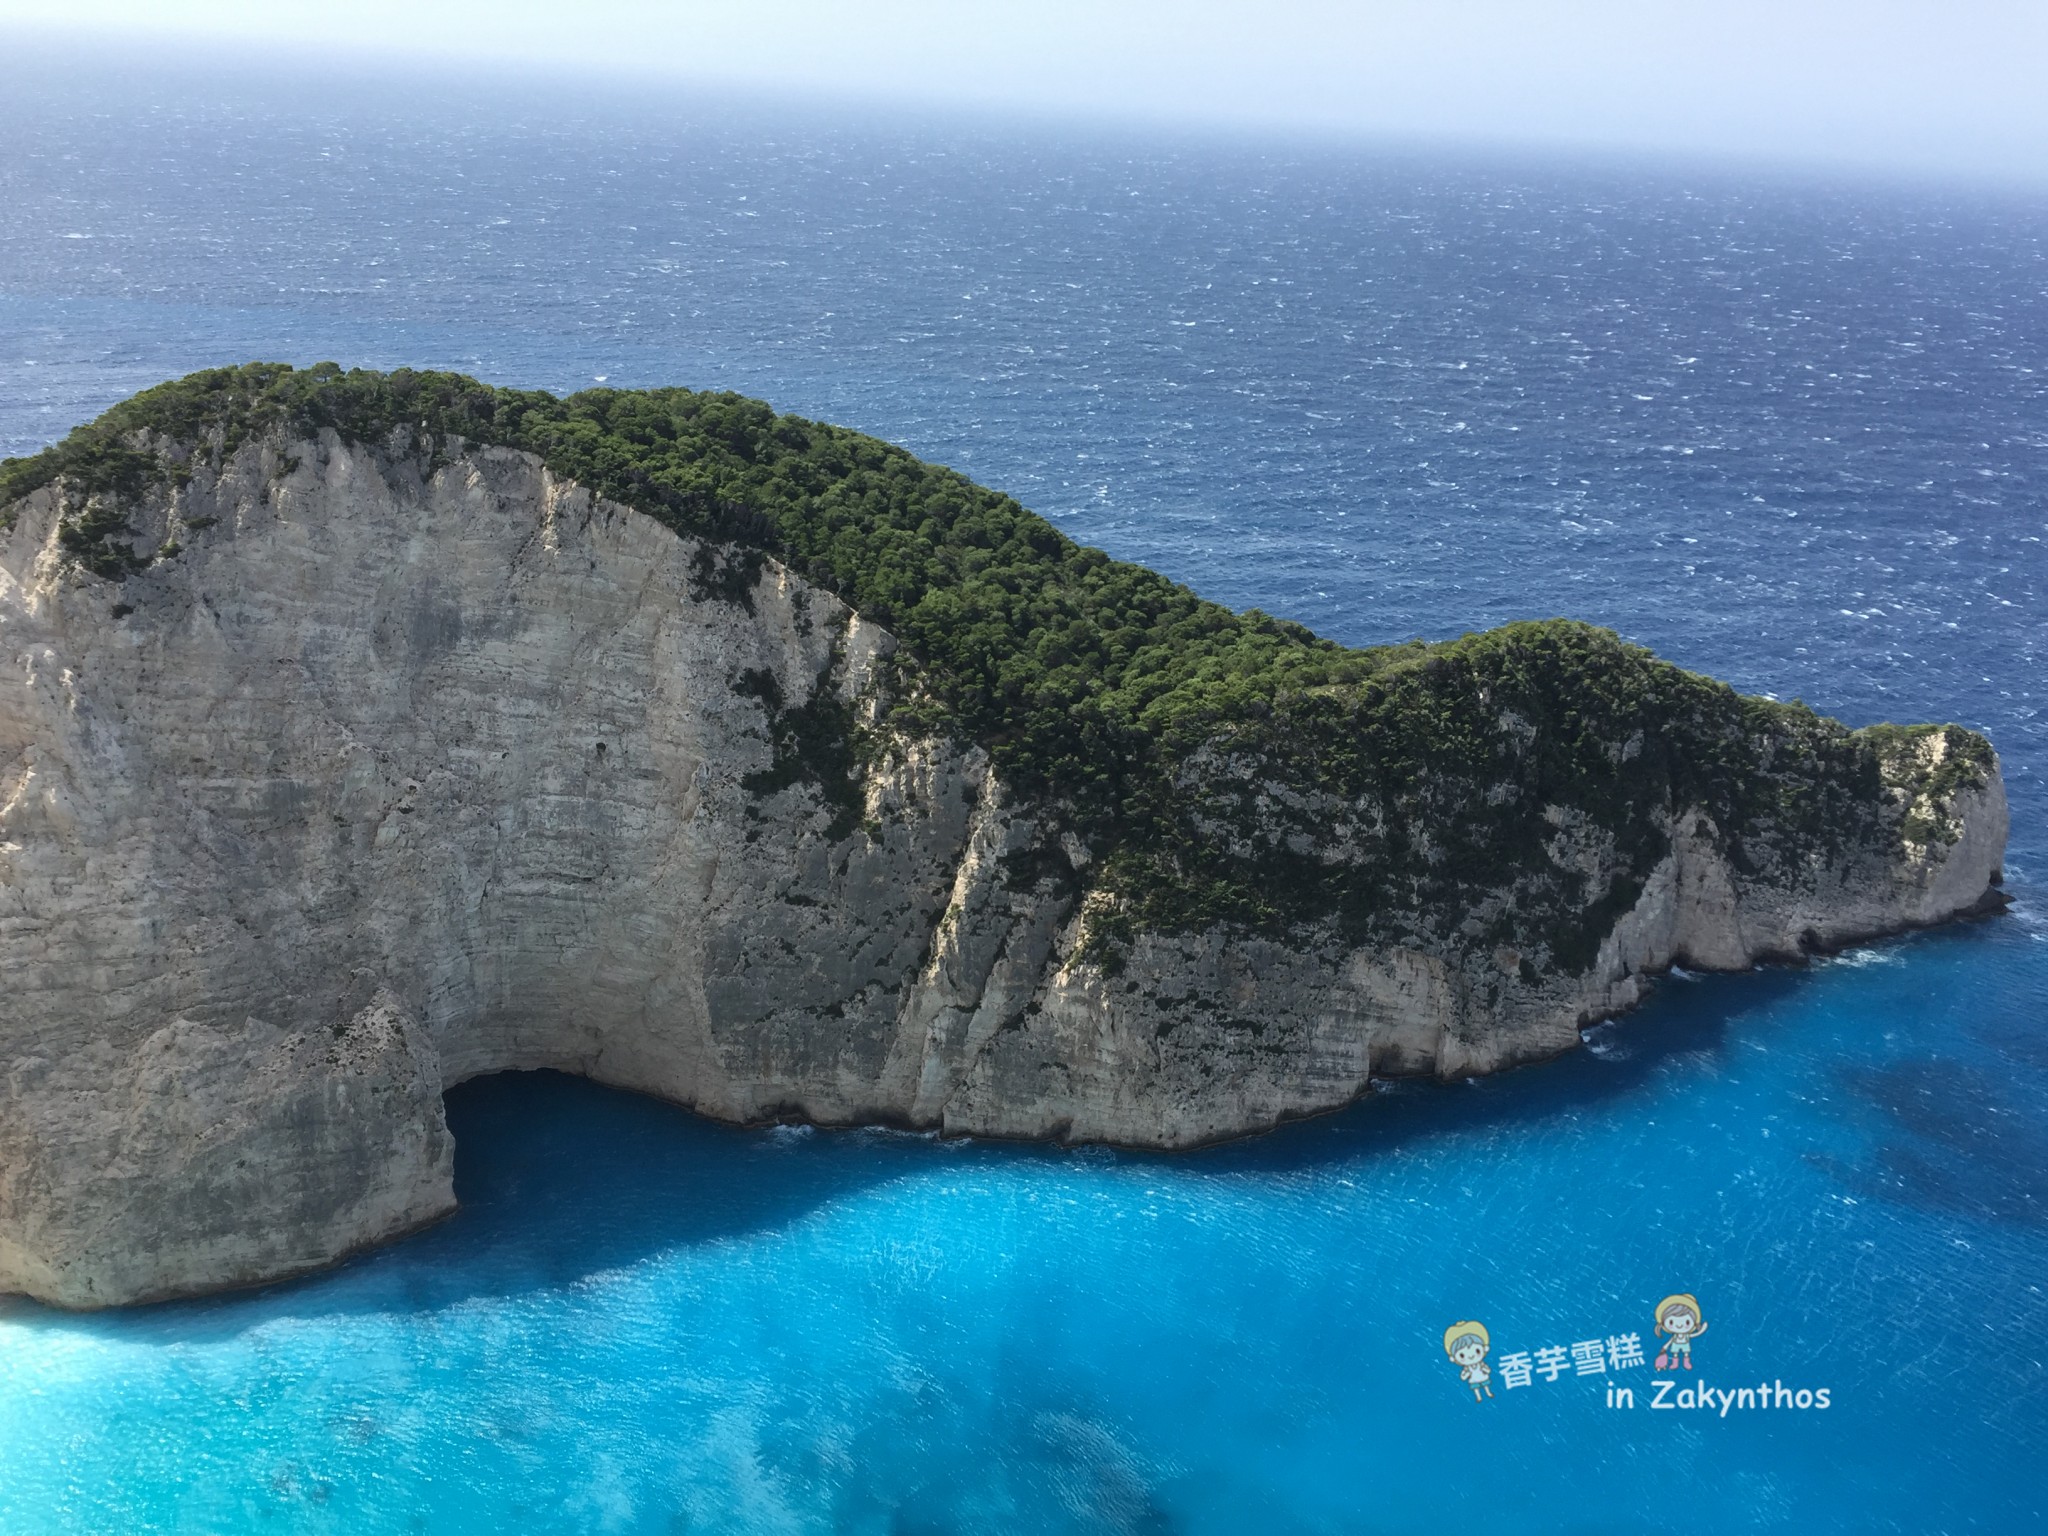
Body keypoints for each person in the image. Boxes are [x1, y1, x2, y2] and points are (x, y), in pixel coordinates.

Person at [1653, 1293, 1707, 1370]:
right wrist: (1665, 1346)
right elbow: (1671, 1340)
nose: (1679, 1325)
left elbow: (1694, 1335)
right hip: (1676, 1344)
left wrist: (1701, 1330)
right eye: (1671, 1322)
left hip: (1684, 1344)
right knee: (1675, 1354)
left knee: (1686, 1353)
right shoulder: (1675, 1335)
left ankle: (1686, 1362)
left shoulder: (1686, 1335)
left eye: (1687, 1322)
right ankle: (1675, 1364)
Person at [1444, 1320, 1494, 1402]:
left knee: (1486, 1385)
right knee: (1476, 1388)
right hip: (1474, 1379)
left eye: (1477, 1351)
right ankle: (1478, 1397)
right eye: (1462, 1355)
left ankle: (1488, 1393)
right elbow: (1463, 1377)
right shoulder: (1467, 1368)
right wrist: (1466, 1374)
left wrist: (1486, 1370)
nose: (1471, 1356)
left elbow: (1488, 1370)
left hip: (1482, 1376)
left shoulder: (1481, 1364)